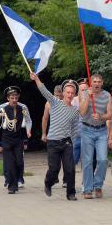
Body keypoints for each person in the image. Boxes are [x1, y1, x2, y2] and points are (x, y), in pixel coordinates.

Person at [30, 72, 79, 201]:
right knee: (54, 168)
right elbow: (44, 90)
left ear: (74, 95)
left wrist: (72, 143)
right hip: (53, 142)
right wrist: (36, 79)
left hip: (67, 142)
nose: (69, 95)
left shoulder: (75, 111)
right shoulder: (55, 102)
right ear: (63, 93)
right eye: (67, 92)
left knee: (70, 168)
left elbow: (74, 129)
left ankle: (71, 193)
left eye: (72, 93)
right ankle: (48, 182)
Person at [0, 86, 32, 194]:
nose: (14, 100)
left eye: (16, 98)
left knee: (19, 162)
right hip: (6, 140)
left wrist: (27, 136)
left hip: (18, 140)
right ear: (8, 98)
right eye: (12, 98)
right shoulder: (3, 110)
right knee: (9, 163)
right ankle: (11, 186)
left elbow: (25, 125)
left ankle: (18, 179)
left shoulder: (22, 109)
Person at [79, 74, 112, 199]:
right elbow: (82, 112)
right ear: (91, 83)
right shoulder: (84, 93)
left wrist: (101, 116)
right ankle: (88, 189)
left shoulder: (107, 95)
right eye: (94, 81)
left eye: (99, 82)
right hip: (87, 130)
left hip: (101, 131)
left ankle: (98, 185)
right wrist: (88, 97)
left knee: (103, 159)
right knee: (87, 161)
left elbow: (110, 115)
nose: (97, 84)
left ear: (102, 83)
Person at [41, 85, 67, 188]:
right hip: (53, 135)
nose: (59, 98)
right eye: (56, 95)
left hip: (66, 135)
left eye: (60, 96)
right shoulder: (49, 103)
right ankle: (54, 177)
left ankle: (66, 180)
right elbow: (45, 118)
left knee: (67, 161)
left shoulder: (68, 103)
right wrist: (44, 133)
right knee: (54, 161)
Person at [72, 78, 89, 166]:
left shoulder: (91, 101)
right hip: (74, 136)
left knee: (86, 162)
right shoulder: (72, 101)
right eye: (82, 90)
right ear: (78, 90)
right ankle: (69, 179)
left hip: (87, 136)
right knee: (71, 162)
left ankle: (85, 179)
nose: (84, 92)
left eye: (86, 90)